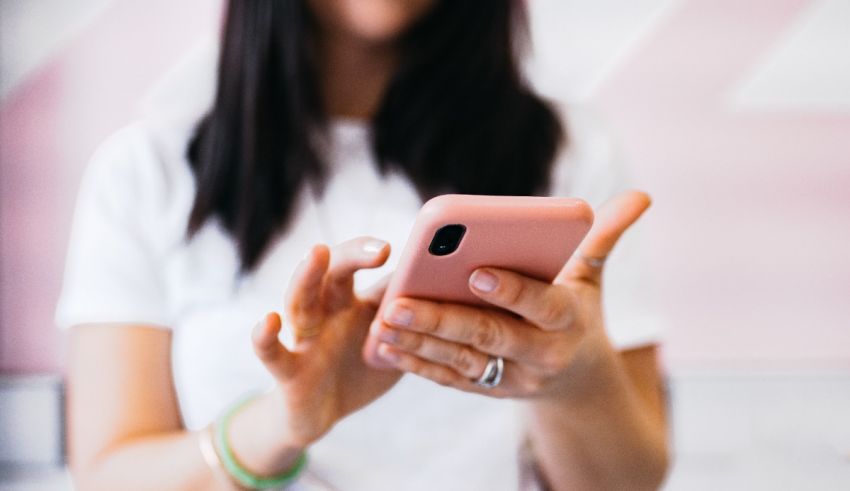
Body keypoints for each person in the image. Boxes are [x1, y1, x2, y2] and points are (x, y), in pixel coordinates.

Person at [56, 0, 669, 489]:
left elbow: (629, 482)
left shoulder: (569, 152)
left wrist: (574, 377)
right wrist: (282, 424)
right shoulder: (145, 172)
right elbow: (110, 473)